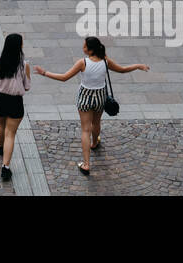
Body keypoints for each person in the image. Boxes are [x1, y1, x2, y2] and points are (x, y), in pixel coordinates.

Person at [35, 36, 150, 177]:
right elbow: (122, 70)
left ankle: (86, 164)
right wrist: (138, 66)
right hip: (100, 96)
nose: (83, 48)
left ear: (90, 50)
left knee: (85, 129)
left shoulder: (82, 63)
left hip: (85, 97)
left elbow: (64, 77)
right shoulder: (105, 61)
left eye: (84, 46)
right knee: (96, 123)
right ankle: (95, 142)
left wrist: (45, 73)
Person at [0, 33, 32, 183]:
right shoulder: (24, 65)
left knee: (2, 125)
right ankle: (5, 167)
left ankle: (0, 147)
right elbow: (27, 87)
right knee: (11, 134)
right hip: (15, 102)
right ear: (19, 46)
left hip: (0, 100)